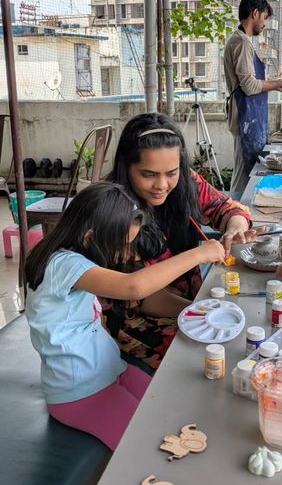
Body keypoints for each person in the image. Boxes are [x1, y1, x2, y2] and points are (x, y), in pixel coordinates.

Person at [25, 182, 225, 450]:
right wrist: (200, 253)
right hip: (80, 393)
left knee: (170, 407)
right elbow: (134, 286)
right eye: (122, 246)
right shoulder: (63, 265)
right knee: (151, 444)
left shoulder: (71, 257)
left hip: (108, 371)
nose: (125, 254)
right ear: (89, 238)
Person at [108, 112, 257, 373]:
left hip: (190, 303)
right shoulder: (113, 212)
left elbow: (226, 207)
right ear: (126, 166)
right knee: (214, 362)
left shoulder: (185, 182)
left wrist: (234, 229)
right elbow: (145, 297)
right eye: (148, 174)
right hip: (141, 321)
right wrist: (203, 314)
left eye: (171, 172)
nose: (162, 185)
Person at [224, 0, 282, 192]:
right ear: (255, 13)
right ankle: (234, 215)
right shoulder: (241, 42)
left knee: (250, 170)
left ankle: (240, 214)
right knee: (243, 174)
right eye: (264, 18)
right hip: (244, 116)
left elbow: (251, 82)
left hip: (250, 117)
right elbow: (248, 85)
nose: (264, 24)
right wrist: (280, 82)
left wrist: (279, 86)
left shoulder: (243, 41)